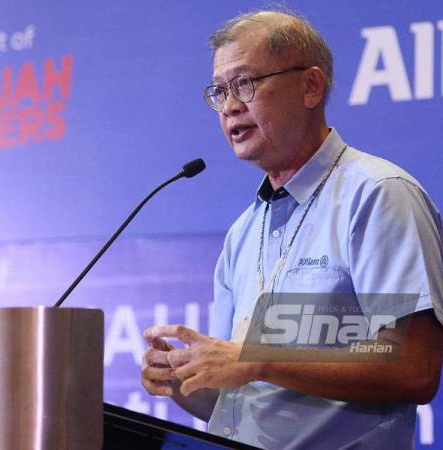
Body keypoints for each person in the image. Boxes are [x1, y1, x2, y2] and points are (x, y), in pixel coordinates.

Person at [141, 10, 443, 449]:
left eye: (245, 83)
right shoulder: (243, 232)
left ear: (310, 86)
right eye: (220, 91)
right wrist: (183, 380)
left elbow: (414, 367)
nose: (230, 106)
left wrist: (259, 360)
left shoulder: (376, 195)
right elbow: (237, 395)